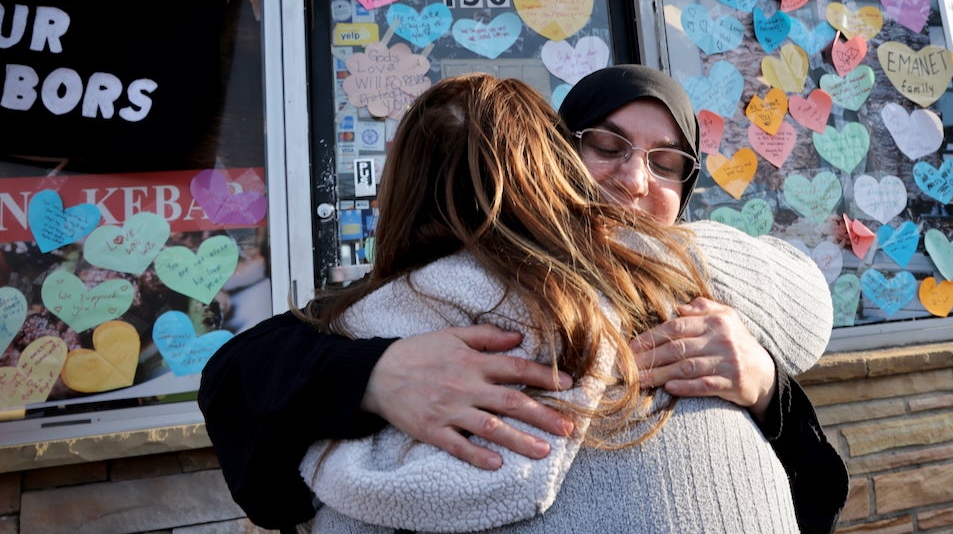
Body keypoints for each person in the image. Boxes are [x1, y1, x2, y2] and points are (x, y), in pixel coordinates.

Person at [199, 65, 847, 532]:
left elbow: (813, 493)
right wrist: (372, 372)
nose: (633, 177)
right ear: (551, 164)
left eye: (667, 160)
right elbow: (241, 373)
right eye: (607, 145)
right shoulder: (379, 318)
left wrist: (764, 384)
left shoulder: (708, 297)